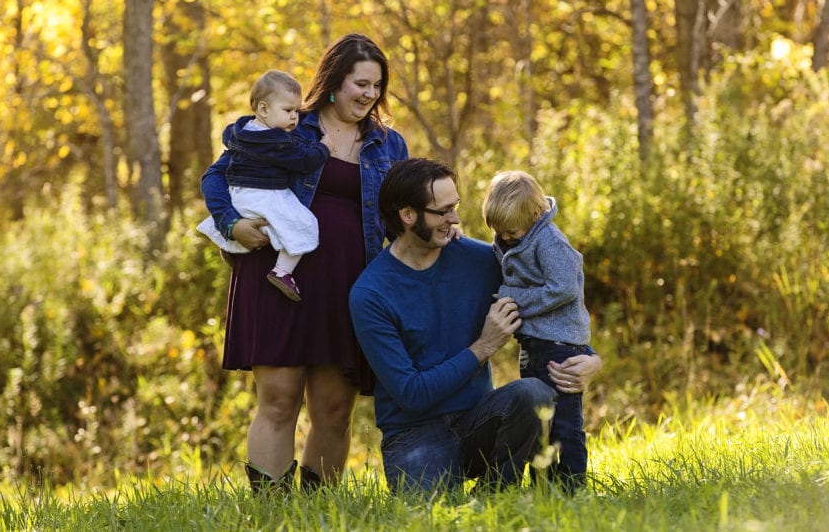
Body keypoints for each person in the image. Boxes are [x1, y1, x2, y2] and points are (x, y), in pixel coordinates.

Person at [201, 33, 408, 494]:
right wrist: (232, 225)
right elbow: (217, 175)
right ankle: (273, 511)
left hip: (349, 287)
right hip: (278, 278)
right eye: (361, 83)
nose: (370, 94)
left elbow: (404, 217)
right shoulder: (288, 123)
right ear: (334, 83)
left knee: (335, 409)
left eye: (377, 85)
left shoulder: (388, 145)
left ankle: (318, 511)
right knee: (278, 400)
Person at [348, 158, 602, 495]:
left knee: (533, 394)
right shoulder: (371, 294)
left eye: (455, 207)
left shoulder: (481, 260)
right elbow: (412, 394)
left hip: (481, 420)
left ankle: (496, 494)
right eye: (443, 211)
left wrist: (591, 360)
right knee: (429, 519)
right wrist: (483, 347)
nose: (454, 218)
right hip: (415, 433)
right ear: (408, 216)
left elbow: (558, 295)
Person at [481, 170, 595, 491]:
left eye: (510, 232)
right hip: (533, 344)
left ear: (534, 215)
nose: (504, 238)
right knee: (537, 421)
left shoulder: (549, 241)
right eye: (498, 232)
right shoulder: (515, 235)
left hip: (559, 345)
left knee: (564, 424)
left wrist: (512, 298)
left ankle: (572, 487)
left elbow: (563, 289)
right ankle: (543, 487)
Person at [197, 69, 330, 302]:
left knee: (263, 227)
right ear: (263, 109)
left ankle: (231, 248)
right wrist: (324, 146)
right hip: (265, 195)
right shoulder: (275, 141)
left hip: (239, 196)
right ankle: (283, 271)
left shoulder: (241, 132)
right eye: (288, 111)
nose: (294, 118)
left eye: (297, 111)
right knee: (303, 224)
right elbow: (305, 161)